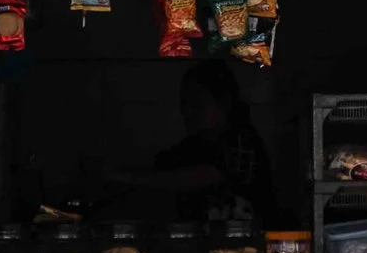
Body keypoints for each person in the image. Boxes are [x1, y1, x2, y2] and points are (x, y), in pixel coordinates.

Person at [112, 59, 278, 223]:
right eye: (185, 103)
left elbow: (200, 177)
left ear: (224, 103)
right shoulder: (194, 146)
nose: (187, 112)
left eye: (197, 103)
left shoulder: (242, 141)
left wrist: (130, 178)